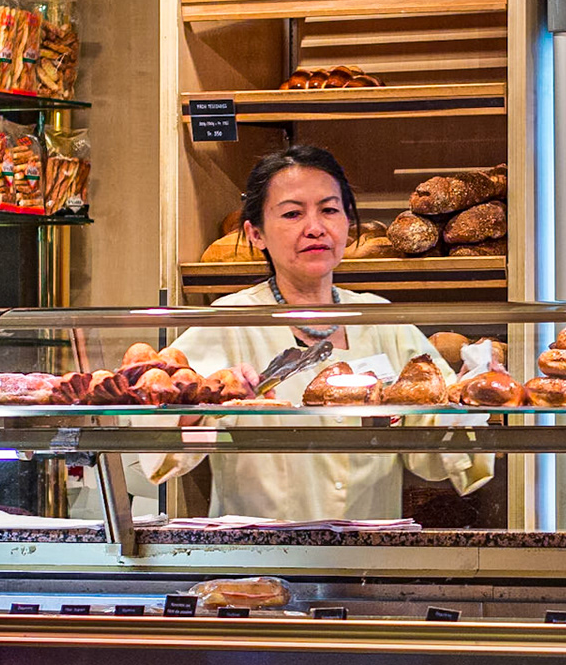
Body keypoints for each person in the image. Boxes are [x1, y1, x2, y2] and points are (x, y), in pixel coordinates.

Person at [133, 145, 492, 520]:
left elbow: (432, 457)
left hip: (369, 557)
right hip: (260, 561)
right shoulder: (229, 321)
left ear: (348, 225)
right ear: (255, 234)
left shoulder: (382, 320)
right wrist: (201, 406)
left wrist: (469, 396)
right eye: (292, 213)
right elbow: (160, 445)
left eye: (329, 210)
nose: (315, 227)